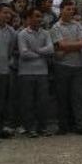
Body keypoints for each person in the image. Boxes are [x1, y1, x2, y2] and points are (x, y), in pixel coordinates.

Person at [51, 0, 82, 135]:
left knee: (77, 97)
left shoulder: (77, 25)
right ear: (61, 10)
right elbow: (61, 45)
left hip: (77, 66)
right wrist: (74, 45)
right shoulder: (56, 27)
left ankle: (80, 125)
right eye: (68, 9)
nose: (71, 11)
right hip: (62, 66)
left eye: (72, 9)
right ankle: (63, 126)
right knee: (62, 97)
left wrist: (67, 47)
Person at [17, 8, 54, 137]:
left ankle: (42, 127)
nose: (39, 19)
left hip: (42, 72)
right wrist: (41, 53)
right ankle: (30, 128)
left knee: (42, 101)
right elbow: (24, 53)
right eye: (37, 16)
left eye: (40, 16)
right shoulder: (22, 34)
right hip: (26, 73)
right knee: (28, 102)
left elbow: (51, 49)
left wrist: (36, 50)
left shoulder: (46, 33)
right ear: (29, 18)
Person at [0, 3, 16, 137]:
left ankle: (1, 128)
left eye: (9, 13)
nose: (8, 15)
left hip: (3, 71)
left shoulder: (11, 32)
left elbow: (10, 51)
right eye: (5, 12)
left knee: (2, 100)